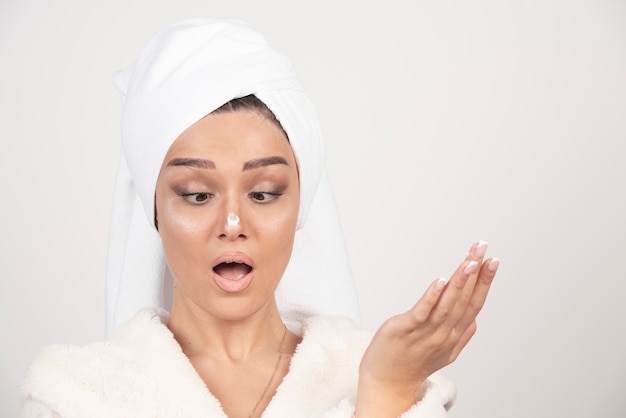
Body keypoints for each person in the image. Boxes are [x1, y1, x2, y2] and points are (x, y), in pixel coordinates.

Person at [19, 19, 499, 418]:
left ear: (301, 207)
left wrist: (385, 393)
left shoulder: (376, 374)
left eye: (265, 193)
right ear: (155, 211)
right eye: (197, 194)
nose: (232, 222)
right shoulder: (76, 397)